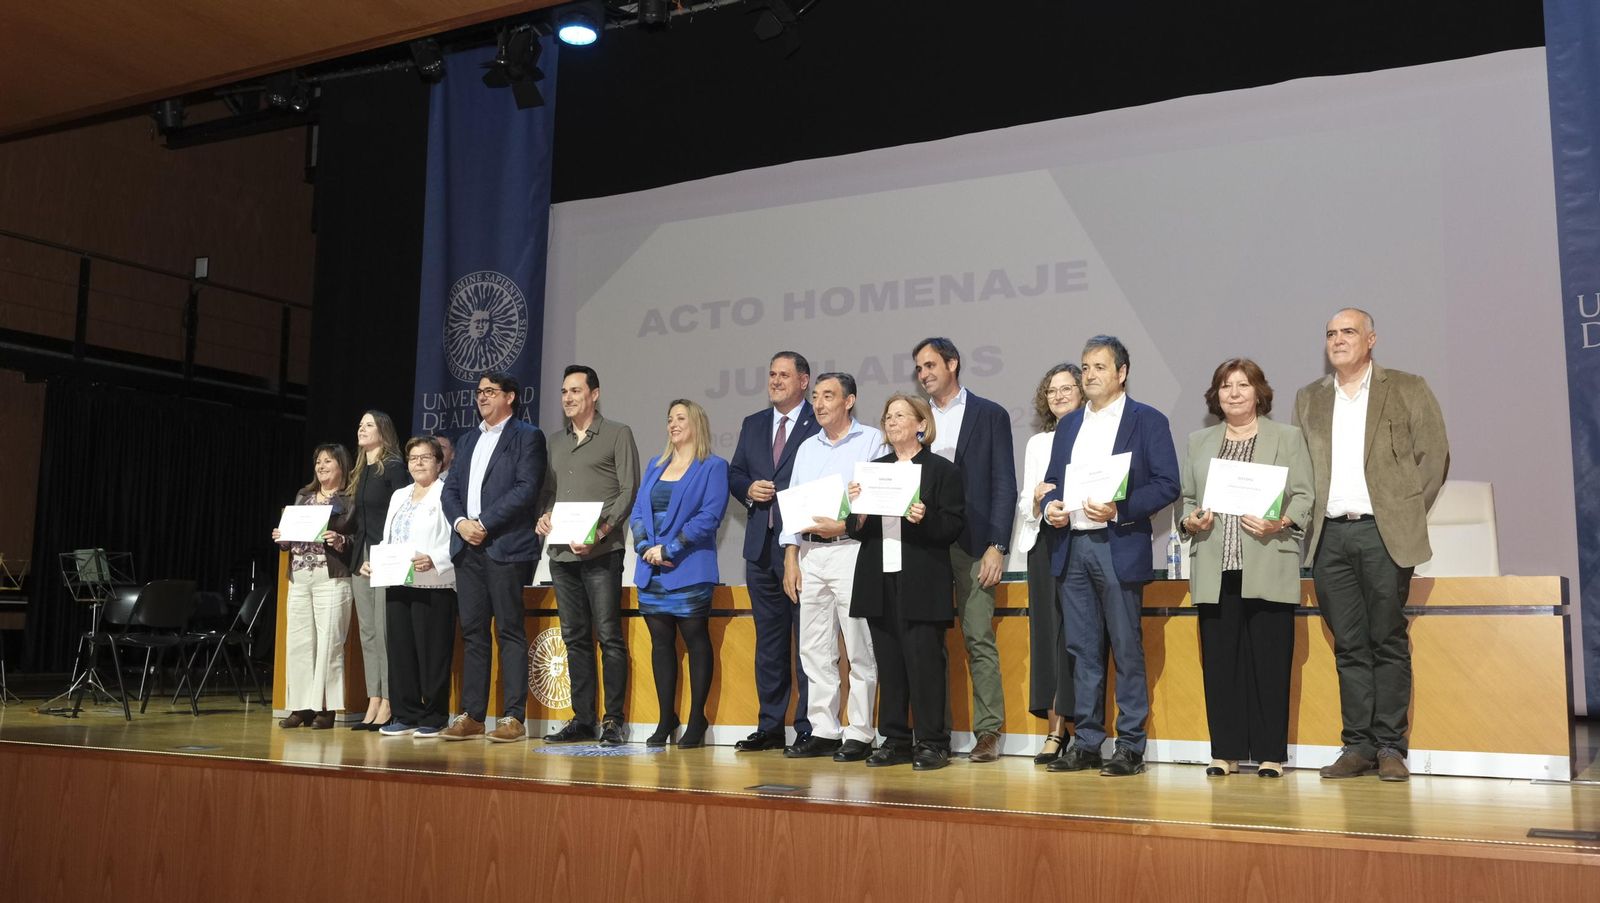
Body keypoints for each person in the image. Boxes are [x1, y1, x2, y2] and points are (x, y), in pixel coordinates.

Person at [1293, 308, 1449, 782]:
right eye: (1330, 333)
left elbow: (1434, 456)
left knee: (1387, 639)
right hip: (1330, 537)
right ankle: (1356, 746)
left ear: (1371, 339)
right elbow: (1300, 469)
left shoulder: (1406, 387)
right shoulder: (1309, 398)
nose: (1338, 340)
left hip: (1383, 534)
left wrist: (1401, 511)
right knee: (1349, 645)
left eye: (1348, 332)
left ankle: (1389, 747)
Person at [1042, 335, 1180, 777]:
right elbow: (1050, 483)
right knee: (1082, 650)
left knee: (1125, 647)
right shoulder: (1068, 426)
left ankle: (1131, 745)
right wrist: (1050, 508)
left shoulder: (1147, 420)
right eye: (1085, 367)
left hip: (1116, 546)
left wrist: (1121, 509)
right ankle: (1086, 742)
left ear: (1121, 373)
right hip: (1073, 546)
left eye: (1099, 367)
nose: (1090, 375)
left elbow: (1166, 483)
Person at [1179, 359, 1313, 778]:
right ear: (1215, 395)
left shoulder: (1287, 438)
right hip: (1216, 570)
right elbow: (1187, 499)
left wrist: (1282, 521)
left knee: (1271, 664)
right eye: (1225, 385)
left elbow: (1306, 496)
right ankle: (1225, 752)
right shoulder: (1199, 441)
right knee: (1220, 665)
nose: (1233, 392)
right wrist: (1190, 520)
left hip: (1268, 560)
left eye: (1242, 385)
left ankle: (1271, 754)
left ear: (1259, 392)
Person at [846, 393, 966, 771]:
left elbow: (952, 527)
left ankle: (932, 741)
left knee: (925, 662)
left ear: (921, 424)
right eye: (888, 416)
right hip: (878, 580)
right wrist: (858, 512)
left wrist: (925, 517)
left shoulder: (941, 471)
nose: (892, 421)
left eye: (900, 415)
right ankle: (895, 739)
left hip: (921, 580)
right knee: (890, 663)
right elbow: (854, 528)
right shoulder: (872, 470)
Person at [911, 337, 1016, 763]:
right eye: (919, 369)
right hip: (926, 545)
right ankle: (932, 735)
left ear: (953, 363)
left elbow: (1004, 483)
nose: (924, 374)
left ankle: (988, 732)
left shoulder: (990, 414)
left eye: (931, 365)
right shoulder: (916, 420)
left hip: (974, 544)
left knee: (977, 638)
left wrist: (997, 545)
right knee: (926, 641)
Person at [781, 373, 886, 762]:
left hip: (851, 549)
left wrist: (843, 525)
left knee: (859, 645)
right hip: (810, 552)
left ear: (849, 401)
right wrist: (791, 555)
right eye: (816, 397)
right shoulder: (807, 448)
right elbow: (791, 506)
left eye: (829, 396)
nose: (819, 403)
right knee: (813, 647)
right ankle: (824, 729)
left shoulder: (872, 440)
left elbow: (875, 500)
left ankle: (859, 731)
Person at [439, 371, 547, 742]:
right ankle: (473, 715)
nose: (482, 397)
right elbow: (449, 489)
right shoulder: (468, 439)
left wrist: (483, 522)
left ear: (510, 397)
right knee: (473, 633)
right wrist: (459, 524)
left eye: (490, 391)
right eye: (480, 392)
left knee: (510, 630)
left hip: (505, 546)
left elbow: (525, 489)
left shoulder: (527, 437)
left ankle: (513, 717)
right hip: (467, 548)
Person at [537, 365, 641, 745]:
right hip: (562, 555)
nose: (568, 398)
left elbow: (628, 490)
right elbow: (547, 491)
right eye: (564, 392)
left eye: (575, 391)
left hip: (602, 553)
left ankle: (613, 720)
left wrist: (600, 531)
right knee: (574, 637)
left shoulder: (617, 433)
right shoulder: (555, 441)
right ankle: (583, 720)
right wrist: (544, 517)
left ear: (594, 395)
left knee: (609, 637)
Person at [728, 351, 821, 751]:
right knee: (769, 642)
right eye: (771, 374)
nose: (776, 381)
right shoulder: (753, 424)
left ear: (804, 381)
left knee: (807, 644)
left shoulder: (818, 423)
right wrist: (747, 489)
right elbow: (734, 473)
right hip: (759, 546)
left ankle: (807, 727)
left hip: (800, 549)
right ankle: (769, 725)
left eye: (784, 375)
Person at [628, 399, 729, 749]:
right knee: (661, 644)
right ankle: (665, 717)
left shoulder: (713, 467)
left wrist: (670, 549)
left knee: (696, 640)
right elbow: (639, 510)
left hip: (688, 567)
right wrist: (644, 546)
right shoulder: (656, 465)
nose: (673, 424)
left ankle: (697, 718)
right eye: (669, 418)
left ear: (696, 423)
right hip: (651, 570)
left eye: (680, 418)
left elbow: (709, 516)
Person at [1009, 363, 1083, 765]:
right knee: (1045, 636)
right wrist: (1036, 499)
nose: (1058, 395)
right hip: (1043, 542)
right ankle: (1055, 729)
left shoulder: (1094, 436)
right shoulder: (1038, 443)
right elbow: (1023, 502)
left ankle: (1080, 727)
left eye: (1067, 388)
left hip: (1081, 541)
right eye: (1052, 390)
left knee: (1077, 637)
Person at [367, 436, 458, 738]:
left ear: (439, 462)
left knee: (432, 652)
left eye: (426, 457)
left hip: (434, 583)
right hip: (397, 580)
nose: (418, 463)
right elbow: (388, 538)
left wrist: (436, 559)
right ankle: (405, 713)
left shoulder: (447, 493)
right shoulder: (400, 495)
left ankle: (434, 715)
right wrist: (375, 560)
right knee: (400, 649)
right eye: (413, 458)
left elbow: (455, 541)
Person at [272, 443, 355, 730]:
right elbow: (290, 538)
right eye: (318, 462)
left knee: (329, 644)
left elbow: (359, 539)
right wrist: (282, 536)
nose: (321, 467)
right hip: (300, 576)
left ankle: (327, 708)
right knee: (298, 642)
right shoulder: (303, 496)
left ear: (342, 466)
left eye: (328, 462)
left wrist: (342, 541)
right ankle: (301, 707)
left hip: (330, 577)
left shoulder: (349, 499)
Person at [349, 410, 405, 730]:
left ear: (383, 432)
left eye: (368, 425)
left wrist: (384, 556)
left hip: (386, 556)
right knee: (367, 632)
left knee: (384, 632)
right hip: (363, 559)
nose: (362, 429)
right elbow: (358, 523)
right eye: (360, 425)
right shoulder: (361, 471)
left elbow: (401, 515)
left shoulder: (394, 468)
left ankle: (389, 700)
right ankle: (373, 697)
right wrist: (359, 559)